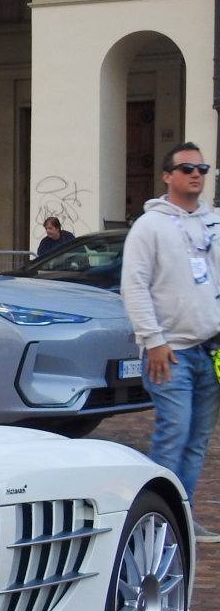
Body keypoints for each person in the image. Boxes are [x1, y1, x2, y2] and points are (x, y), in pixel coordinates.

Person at [121, 141, 220, 539]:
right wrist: (153, 340)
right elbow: (134, 286)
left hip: (210, 349)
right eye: (187, 169)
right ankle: (153, 521)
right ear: (167, 176)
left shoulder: (213, 223)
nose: (196, 174)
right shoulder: (150, 226)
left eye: (202, 169)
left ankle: (183, 516)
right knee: (173, 434)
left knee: (197, 439)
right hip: (170, 352)